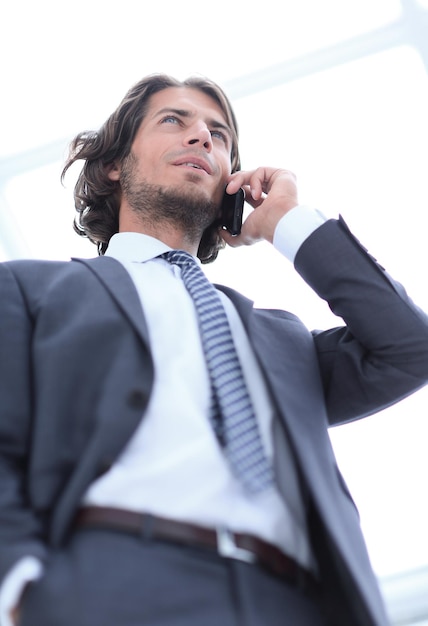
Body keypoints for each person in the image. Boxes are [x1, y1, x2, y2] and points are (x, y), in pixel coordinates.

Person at [0, 73, 427, 626]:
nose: (203, 137)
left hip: (295, 602)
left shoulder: (282, 339)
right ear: (112, 164)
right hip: (113, 586)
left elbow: (409, 347)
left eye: (219, 135)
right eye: (174, 120)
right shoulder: (28, 292)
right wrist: (22, 584)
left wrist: (288, 222)